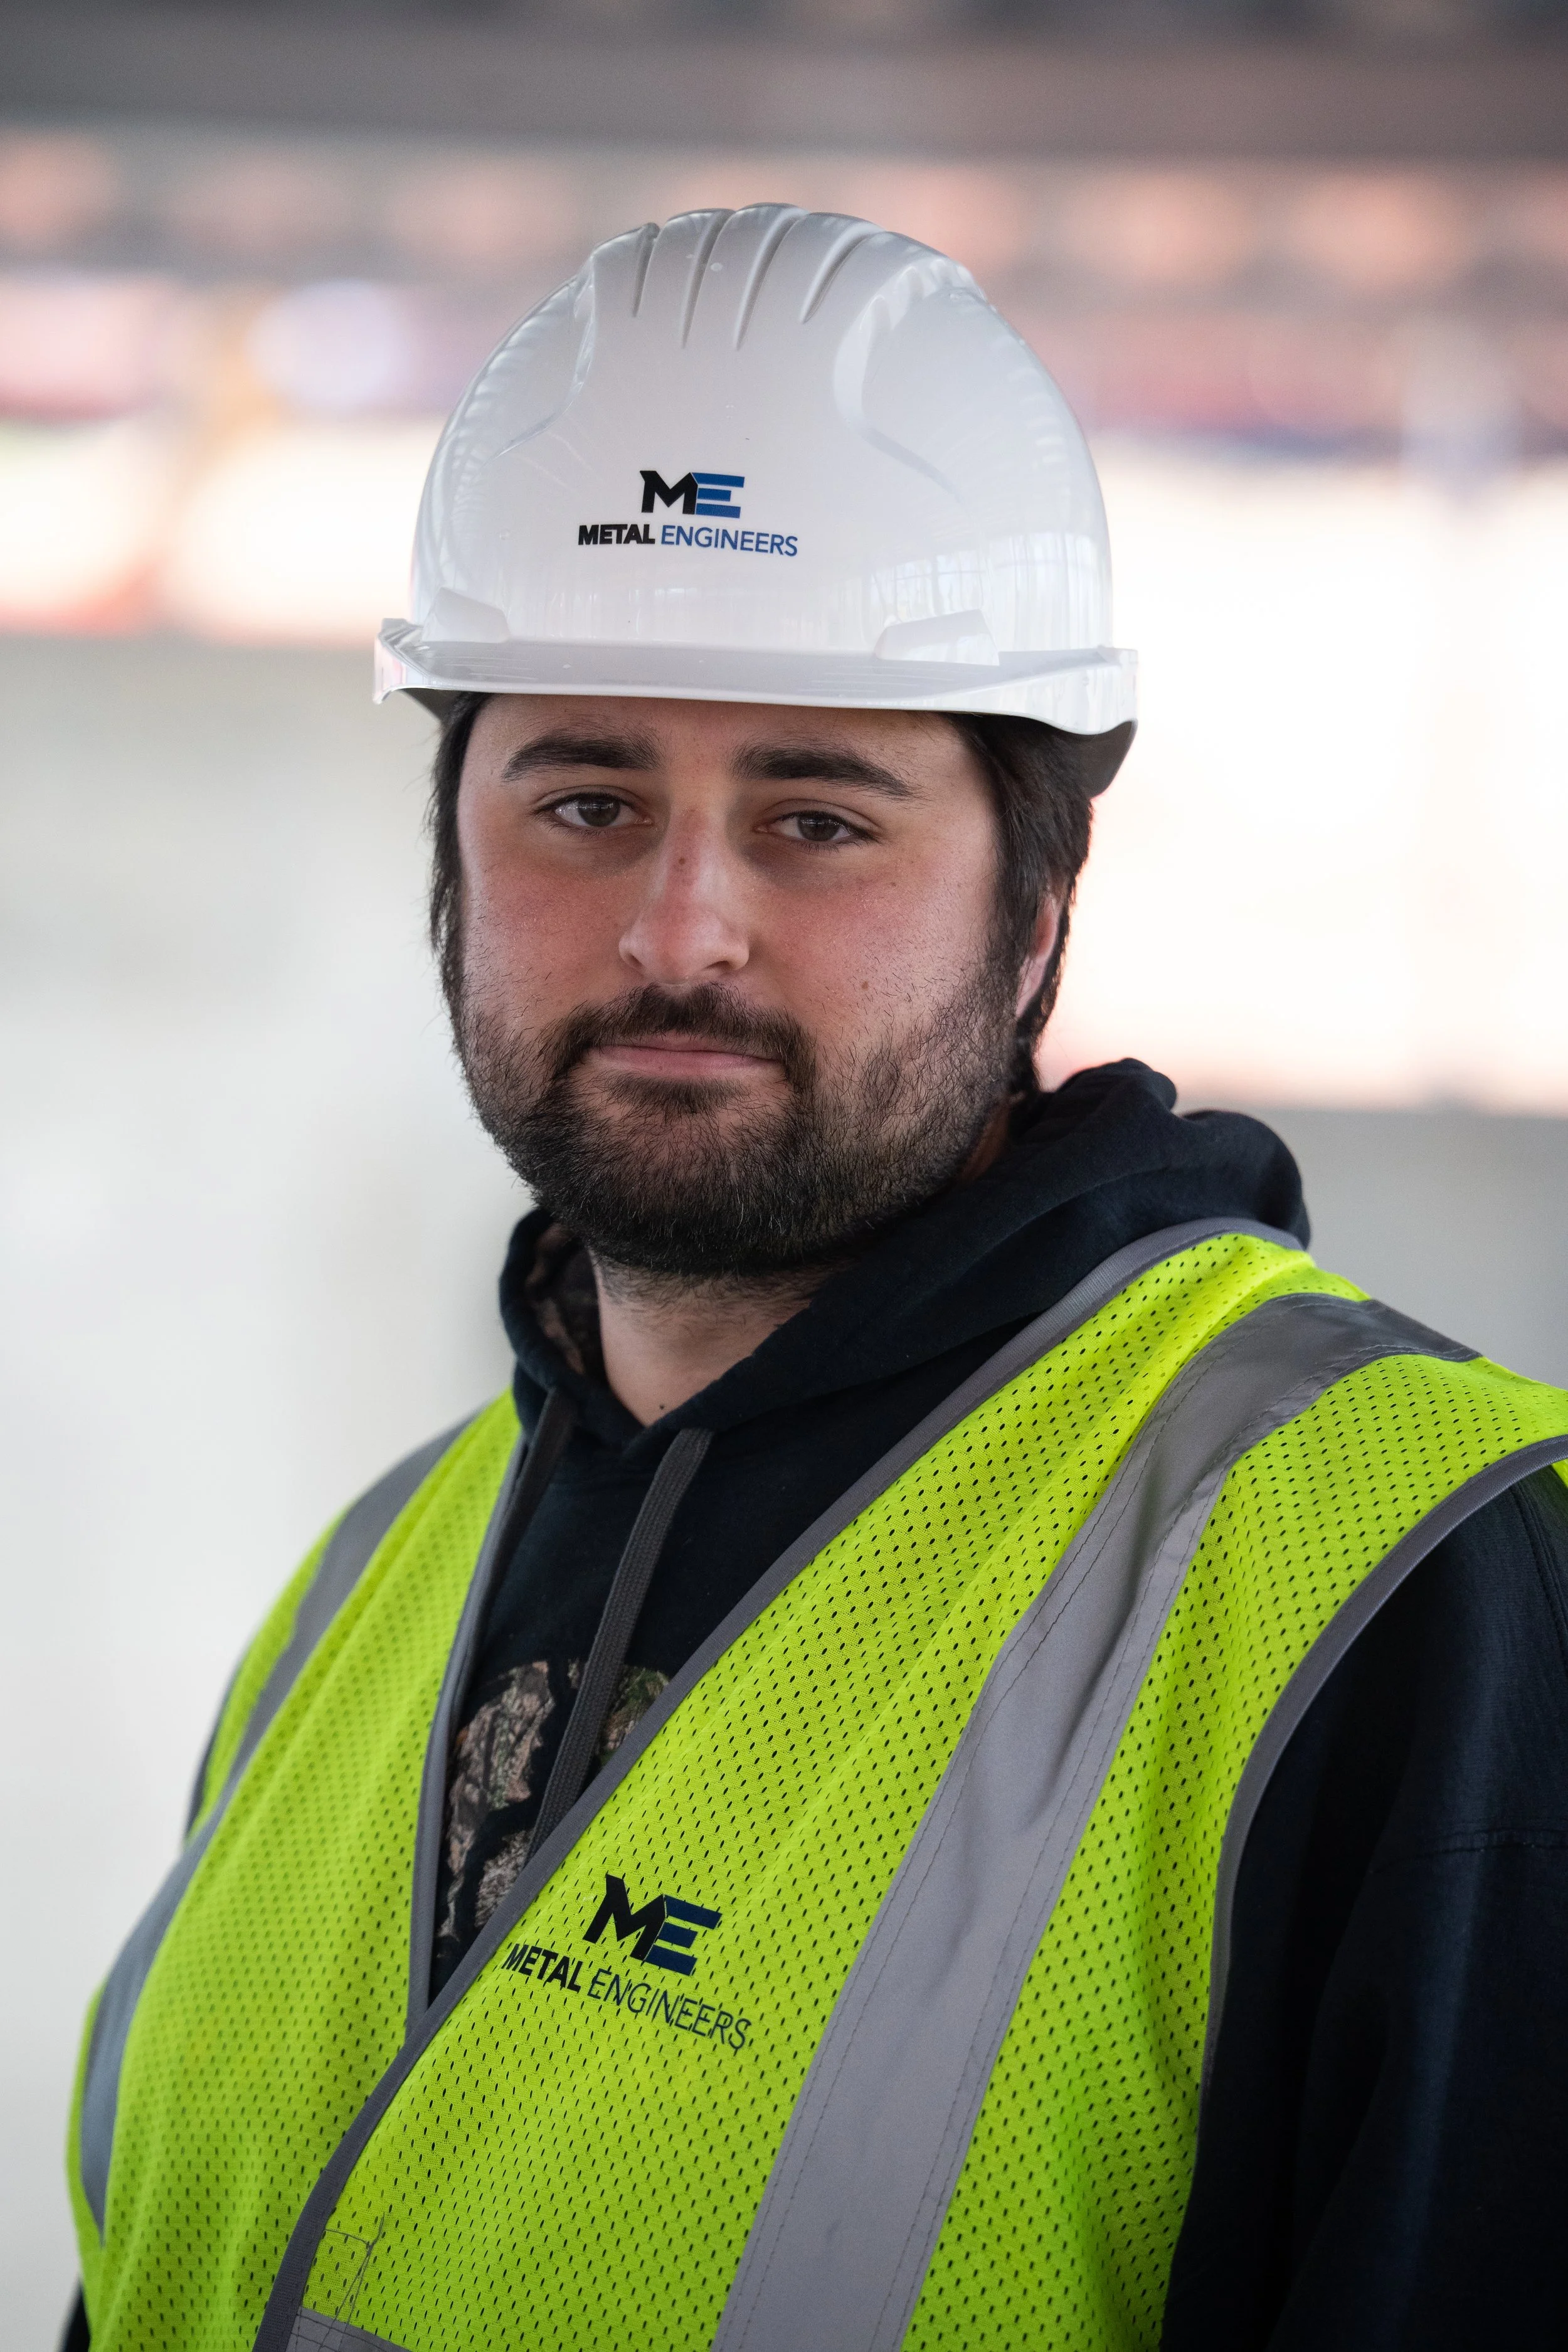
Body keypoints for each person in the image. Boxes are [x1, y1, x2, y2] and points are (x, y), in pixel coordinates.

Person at [65, 207, 1568, 2352]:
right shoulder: (360, 1591)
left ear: (1036, 909)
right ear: (450, 852)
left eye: (817, 820)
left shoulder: (1399, 1587)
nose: (682, 929)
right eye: (583, 798)